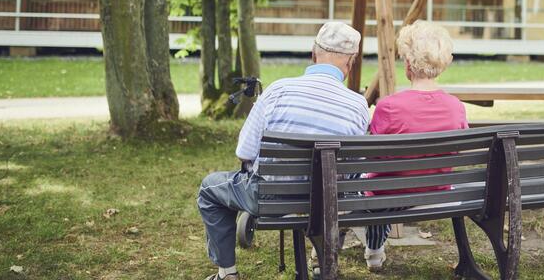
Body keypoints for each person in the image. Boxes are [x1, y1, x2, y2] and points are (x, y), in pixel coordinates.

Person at [197, 22, 369, 280]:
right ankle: (321, 260)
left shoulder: (278, 90)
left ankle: (227, 273)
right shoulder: (358, 105)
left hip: (271, 199)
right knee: (330, 188)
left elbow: (244, 152)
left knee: (210, 189)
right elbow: (353, 166)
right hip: (327, 204)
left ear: (313, 53)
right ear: (351, 62)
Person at [363, 20, 468, 271]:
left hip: (392, 195)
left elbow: (373, 155)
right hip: (438, 189)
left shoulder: (389, 106)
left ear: (408, 64)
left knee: (366, 183)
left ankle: (374, 252)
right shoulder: (456, 107)